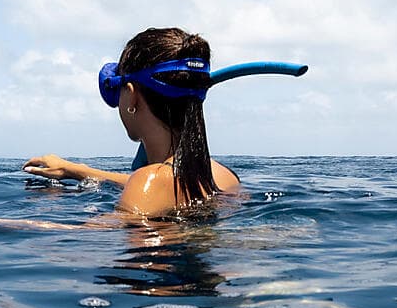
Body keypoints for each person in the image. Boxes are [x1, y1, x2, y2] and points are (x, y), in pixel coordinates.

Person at [23, 27, 240, 218]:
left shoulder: (150, 181)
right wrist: (73, 169)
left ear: (131, 94)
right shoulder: (225, 176)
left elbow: (88, 243)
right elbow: (158, 187)